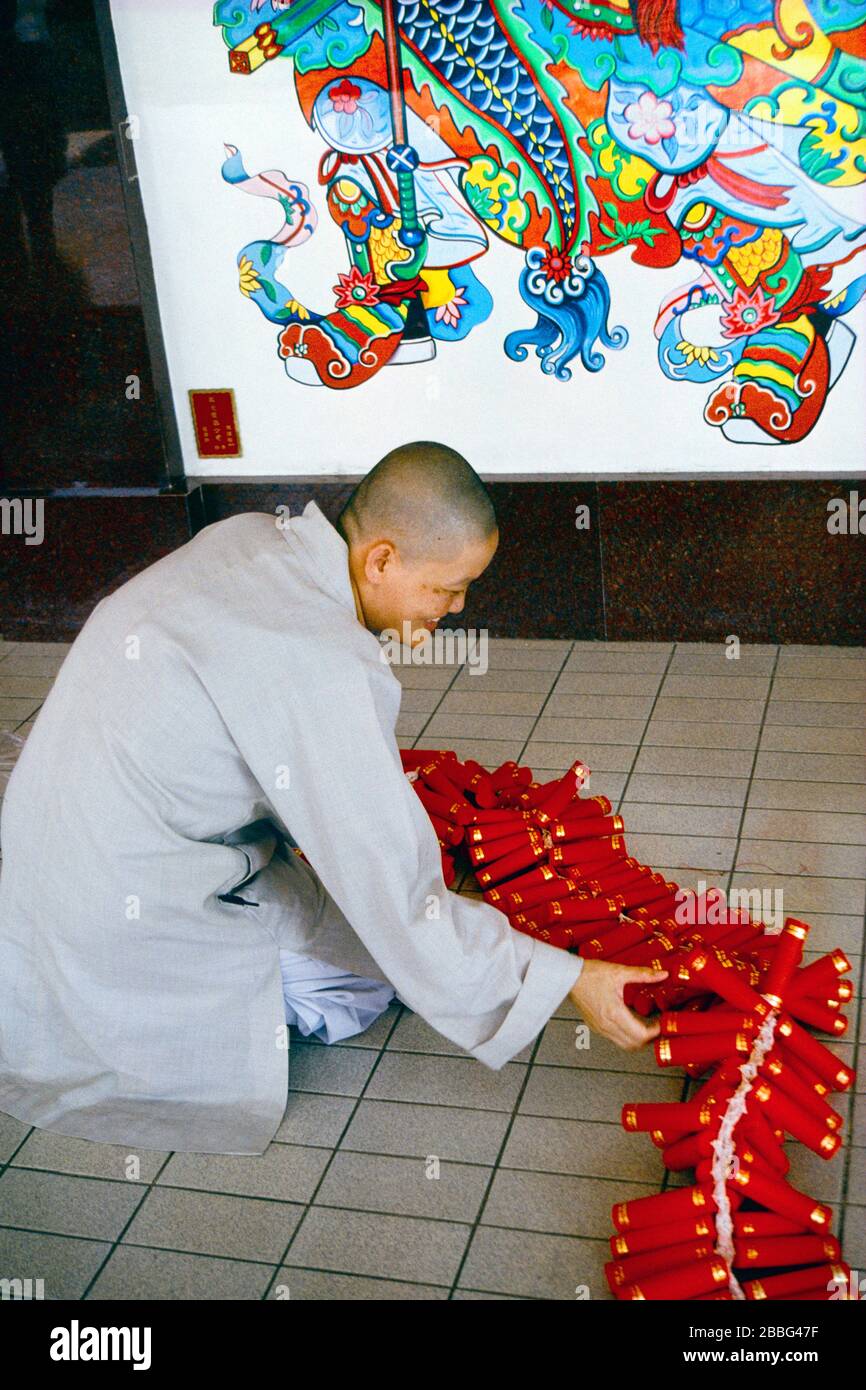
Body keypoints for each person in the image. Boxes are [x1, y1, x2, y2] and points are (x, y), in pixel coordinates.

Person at [0, 441, 665, 1155]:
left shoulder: (252, 535)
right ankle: (189, 1021)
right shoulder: (322, 663)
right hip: (130, 909)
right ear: (380, 560)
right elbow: (397, 899)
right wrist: (568, 980)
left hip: (49, 856)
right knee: (361, 984)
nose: (456, 608)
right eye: (446, 589)